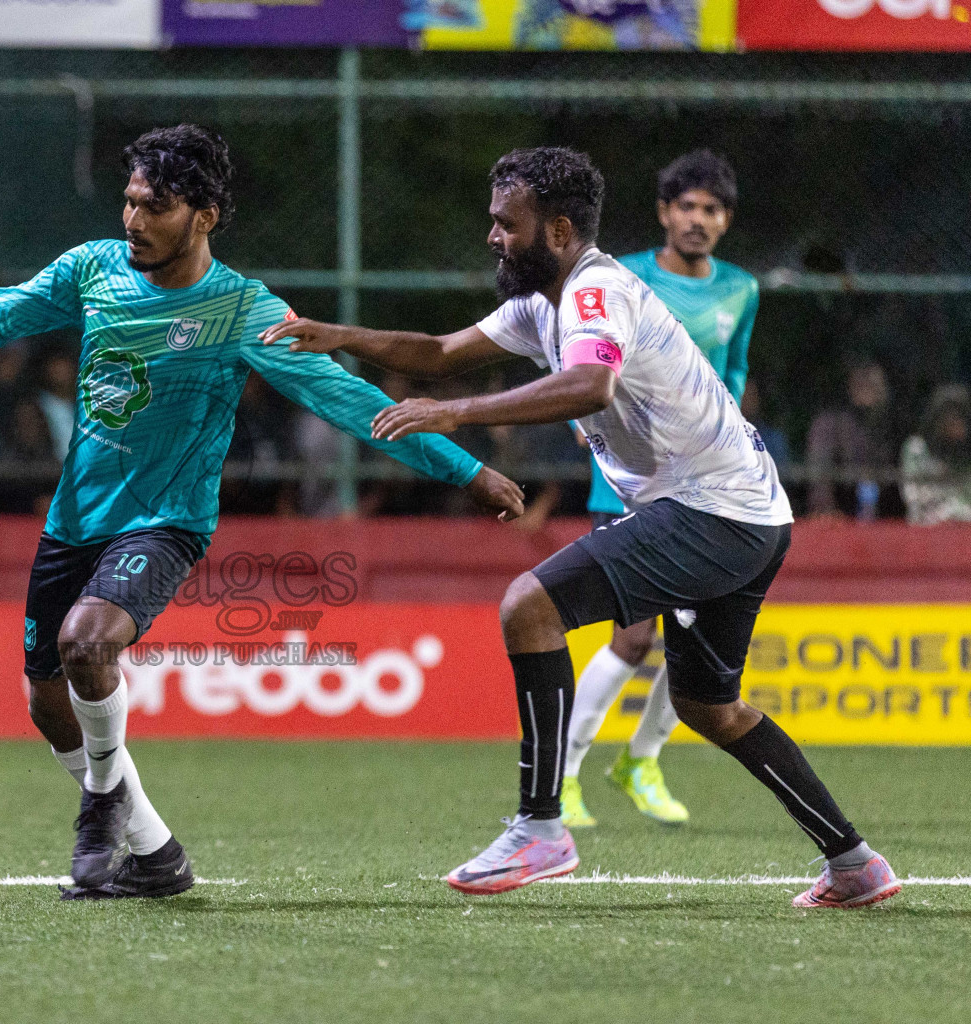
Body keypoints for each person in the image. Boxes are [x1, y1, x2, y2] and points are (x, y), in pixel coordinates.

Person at [0, 124, 524, 900]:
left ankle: (99, 806)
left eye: (153, 207)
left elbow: (348, 399)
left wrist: (465, 470)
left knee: (87, 645)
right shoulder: (92, 270)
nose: (132, 221)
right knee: (46, 701)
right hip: (74, 521)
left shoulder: (241, 310)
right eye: (128, 202)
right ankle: (155, 854)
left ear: (205, 215)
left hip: (166, 520)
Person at [262, 146, 898, 909]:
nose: (493, 237)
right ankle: (855, 862)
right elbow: (439, 353)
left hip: (711, 512)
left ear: (558, 229)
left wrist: (458, 412)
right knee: (709, 708)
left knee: (528, 606)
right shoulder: (545, 300)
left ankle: (540, 827)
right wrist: (342, 336)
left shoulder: (594, 291)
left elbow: (590, 383)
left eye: (507, 224)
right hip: (749, 515)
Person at [560, 149, 760, 830]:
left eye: (711, 209)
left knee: (697, 639)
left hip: (707, 483)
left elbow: (732, 379)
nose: (698, 219)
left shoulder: (742, 290)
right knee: (631, 636)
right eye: (686, 206)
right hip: (628, 477)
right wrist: (581, 418)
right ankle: (562, 776)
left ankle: (640, 761)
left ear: (725, 220)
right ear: (664, 213)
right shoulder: (620, 277)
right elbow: (574, 349)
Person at [806, 359, 897, 520]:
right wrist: (825, 510)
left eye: (874, 384)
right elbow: (820, 476)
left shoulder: (891, 426)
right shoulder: (829, 425)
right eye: (861, 382)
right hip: (840, 519)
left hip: (885, 520)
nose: (868, 389)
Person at [901, 384, 971, 525]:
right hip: (926, 531)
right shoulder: (916, 450)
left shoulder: (967, 458)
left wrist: (954, 512)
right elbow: (913, 496)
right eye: (947, 416)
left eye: (958, 417)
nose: (952, 424)